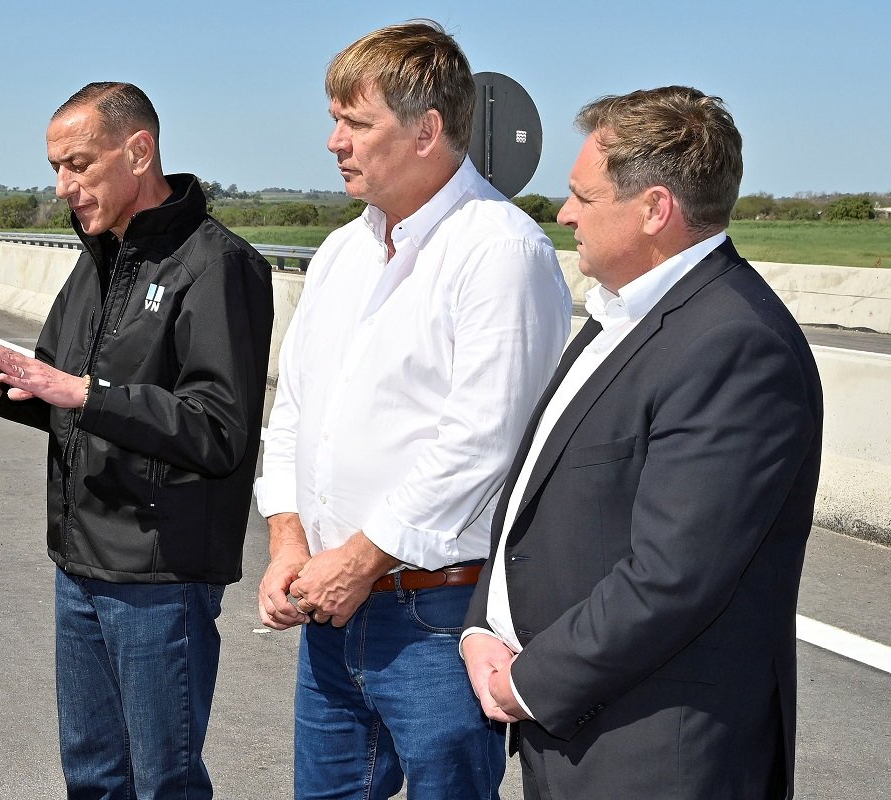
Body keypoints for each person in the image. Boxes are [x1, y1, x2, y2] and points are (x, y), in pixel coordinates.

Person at [0, 81, 271, 799]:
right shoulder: (99, 257)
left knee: (163, 781)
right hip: (82, 566)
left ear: (139, 151)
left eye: (79, 164)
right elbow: (58, 395)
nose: (65, 187)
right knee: (95, 778)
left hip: (159, 579)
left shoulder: (215, 265)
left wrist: (87, 394)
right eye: (56, 170)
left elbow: (219, 430)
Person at [462, 86, 821, 800]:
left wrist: (529, 681)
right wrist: (484, 625)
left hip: (657, 754)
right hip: (583, 731)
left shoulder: (734, 344)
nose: (563, 214)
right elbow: (540, 497)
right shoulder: (623, 315)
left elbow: (674, 575)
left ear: (655, 209)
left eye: (582, 198)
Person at [252, 21, 571, 799]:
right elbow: (294, 409)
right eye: (336, 119)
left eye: (357, 122)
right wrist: (288, 540)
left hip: (434, 618)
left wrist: (357, 562)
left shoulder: (501, 251)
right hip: (330, 610)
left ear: (427, 130)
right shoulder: (340, 253)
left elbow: (483, 444)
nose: (335, 141)